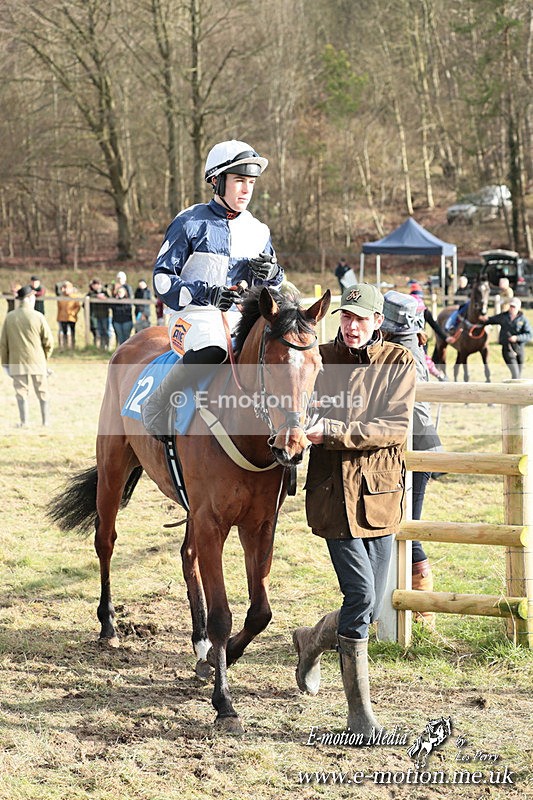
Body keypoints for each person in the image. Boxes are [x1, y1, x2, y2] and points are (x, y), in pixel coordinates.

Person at [292, 284, 416, 736]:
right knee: (361, 596)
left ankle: (310, 640)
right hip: (332, 498)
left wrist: (333, 431)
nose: (351, 325)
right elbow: (292, 398)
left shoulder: (398, 362)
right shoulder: (319, 356)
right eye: (346, 316)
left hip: (379, 497)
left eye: (361, 318)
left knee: (369, 609)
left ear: (378, 322)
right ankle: (360, 714)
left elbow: (393, 427)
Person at [141, 138, 284, 439]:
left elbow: (273, 287)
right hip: (191, 315)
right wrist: (206, 293)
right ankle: (158, 405)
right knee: (213, 350)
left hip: (238, 317)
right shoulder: (188, 221)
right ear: (217, 181)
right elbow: (162, 279)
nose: (247, 190)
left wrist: (273, 274)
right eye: (239, 181)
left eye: (251, 182)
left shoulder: (259, 231)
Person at [381, 290, 443, 626]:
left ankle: (424, 612)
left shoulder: (400, 350)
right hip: (417, 442)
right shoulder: (412, 343)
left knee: (408, 527)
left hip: (414, 444)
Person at [1, 285, 54, 426]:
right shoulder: (38, 316)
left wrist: (5, 363)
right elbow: (49, 341)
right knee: (42, 391)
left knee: (21, 392)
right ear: (30, 298)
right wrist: (45, 358)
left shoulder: (10, 317)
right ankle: (45, 421)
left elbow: (3, 344)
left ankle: (24, 422)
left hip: (16, 360)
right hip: (37, 360)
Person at [479, 297, 531, 379]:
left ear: (518, 308)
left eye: (514, 307)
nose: (512, 308)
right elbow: (491, 320)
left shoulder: (523, 320)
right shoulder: (504, 316)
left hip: (519, 349)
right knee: (515, 374)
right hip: (507, 349)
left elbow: (529, 335)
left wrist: (517, 338)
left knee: (519, 375)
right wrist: (482, 319)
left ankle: (516, 391)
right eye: (511, 306)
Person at [87, 278, 110, 350]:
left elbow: (109, 298)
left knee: (105, 331)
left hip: (104, 315)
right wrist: (97, 296)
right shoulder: (91, 292)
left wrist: (105, 298)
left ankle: (106, 346)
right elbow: (88, 297)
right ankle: (99, 346)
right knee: (98, 332)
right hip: (95, 315)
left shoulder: (105, 291)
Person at [56, 281, 81, 349]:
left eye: (66, 288)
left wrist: (73, 313)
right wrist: (58, 318)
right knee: (64, 332)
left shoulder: (74, 297)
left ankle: (72, 346)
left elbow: (78, 306)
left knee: (72, 332)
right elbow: (59, 308)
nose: (65, 290)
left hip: (71, 318)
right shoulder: (60, 297)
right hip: (62, 318)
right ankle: (65, 346)